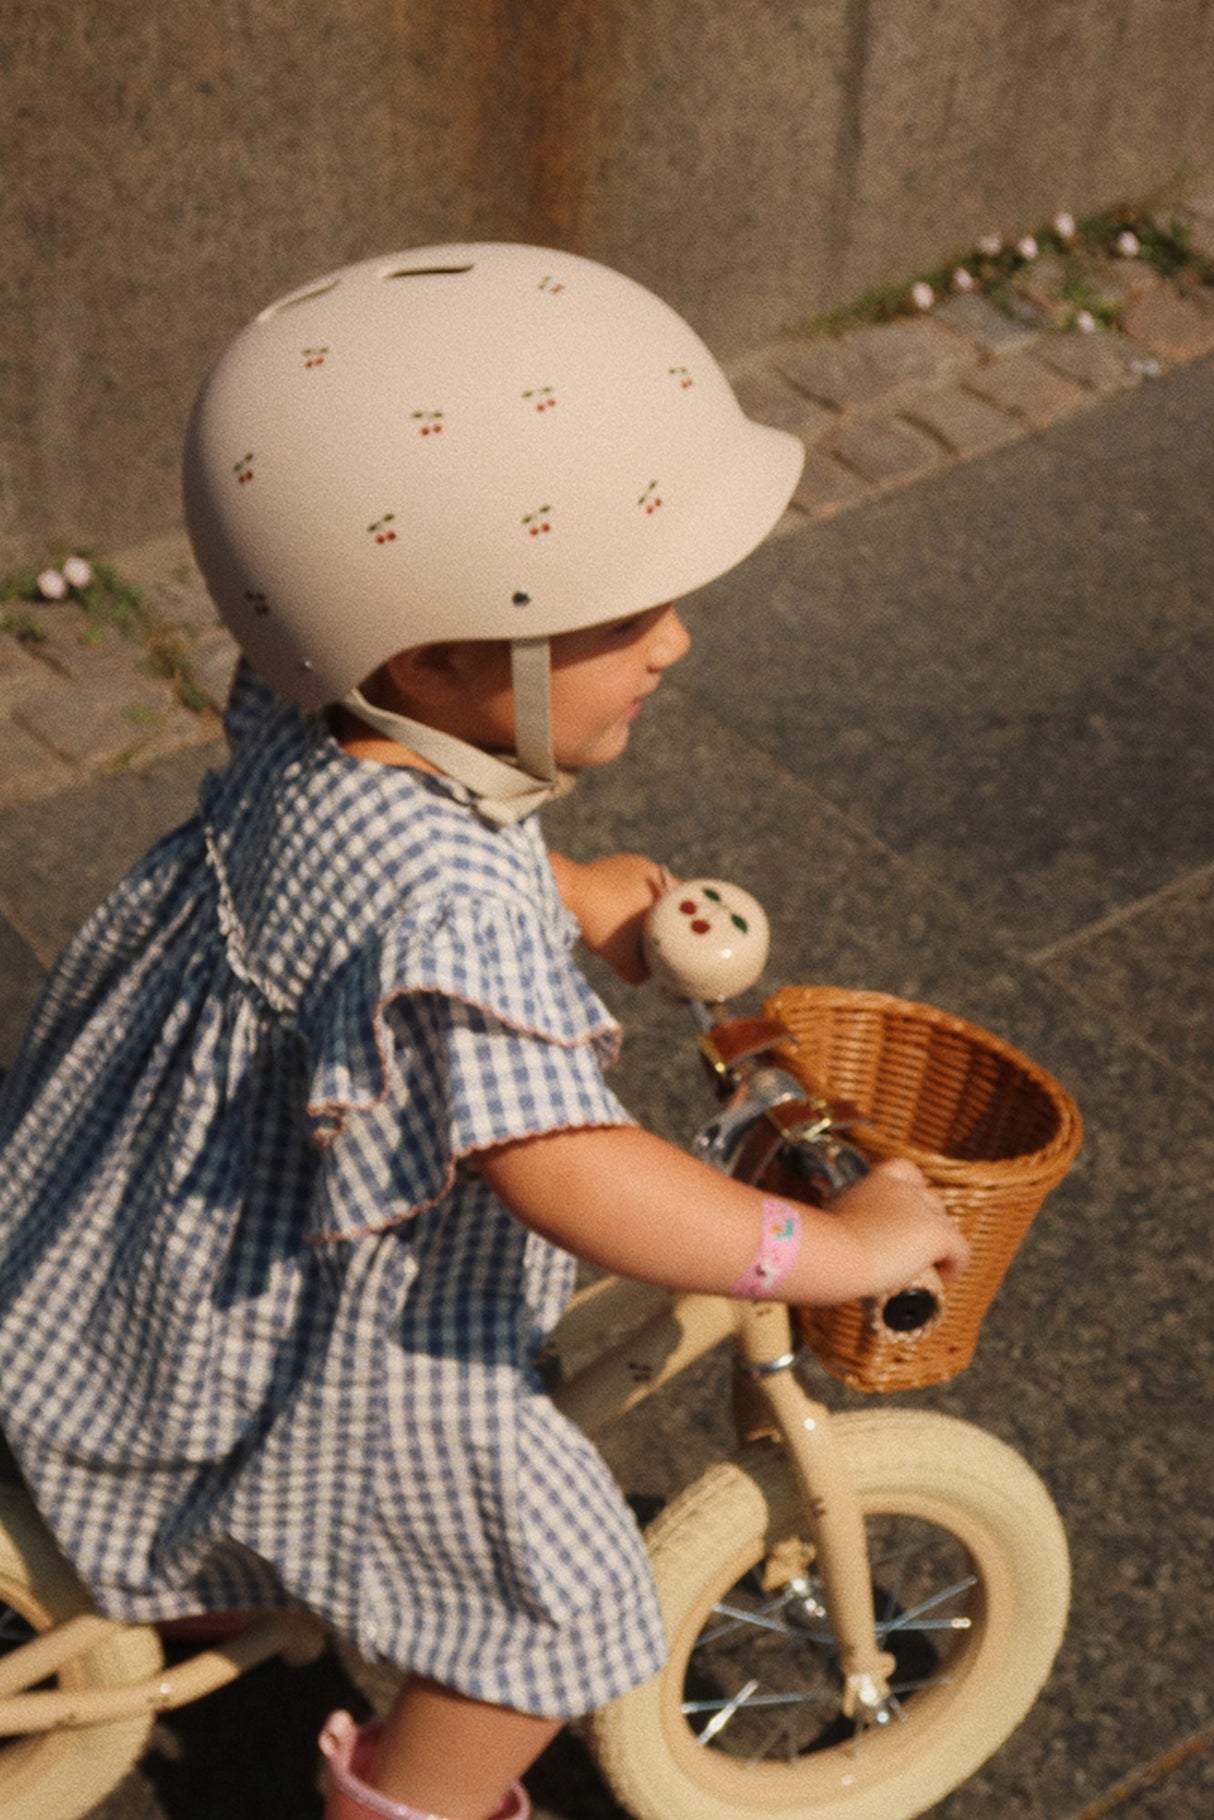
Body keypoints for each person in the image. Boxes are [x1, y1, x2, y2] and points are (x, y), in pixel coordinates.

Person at [0, 244, 968, 1820]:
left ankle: (197, 1562)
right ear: (438, 654)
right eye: (626, 611)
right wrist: (827, 1248)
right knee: (547, 1611)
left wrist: (568, 888)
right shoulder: (441, 916)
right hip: (317, 1321)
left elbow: (408, 847)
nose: (674, 642)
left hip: (166, 1222)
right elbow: (571, 1175)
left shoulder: (318, 706)